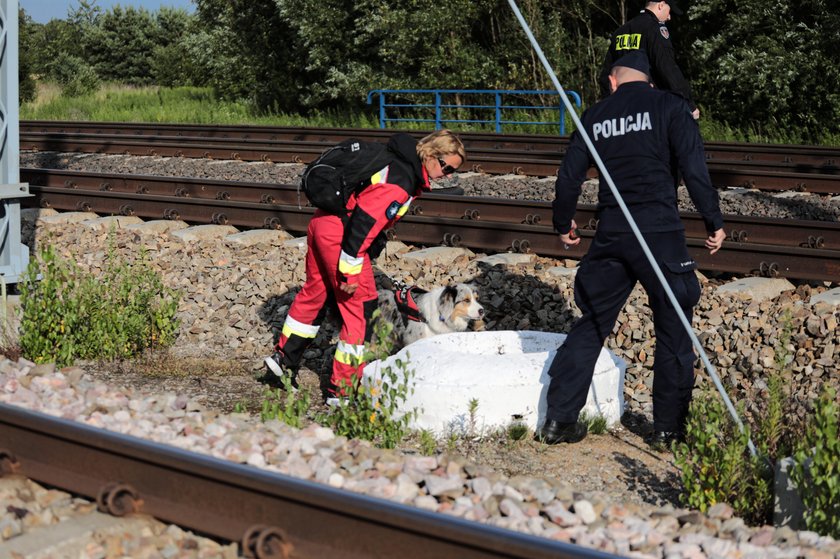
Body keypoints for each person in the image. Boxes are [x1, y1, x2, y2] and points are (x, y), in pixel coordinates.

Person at [538, 50, 725, 450]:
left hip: (612, 233)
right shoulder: (670, 107)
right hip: (659, 232)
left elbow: (569, 176)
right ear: (651, 79)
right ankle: (667, 431)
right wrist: (713, 220)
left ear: (612, 81)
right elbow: (694, 168)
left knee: (591, 323)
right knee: (673, 329)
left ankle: (558, 421)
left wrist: (563, 223)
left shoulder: (593, 116)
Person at [263, 130, 466, 400]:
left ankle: (283, 361)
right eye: (446, 167)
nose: (448, 174)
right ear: (430, 155)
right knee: (361, 311)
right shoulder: (402, 179)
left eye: (452, 170)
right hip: (341, 235)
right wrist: (349, 270)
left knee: (315, 293)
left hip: (323, 223)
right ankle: (342, 390)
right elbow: (364, 224)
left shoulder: (397, 162)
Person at [598, 0, 700, 120]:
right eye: (669, 11)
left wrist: (609, 104)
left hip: (622, 109)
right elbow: (667, 69)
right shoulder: (655, 29)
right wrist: (688, 103)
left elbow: (606, 75)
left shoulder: (620, 31)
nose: (669, 17)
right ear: (661, 5)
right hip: (649, 109)